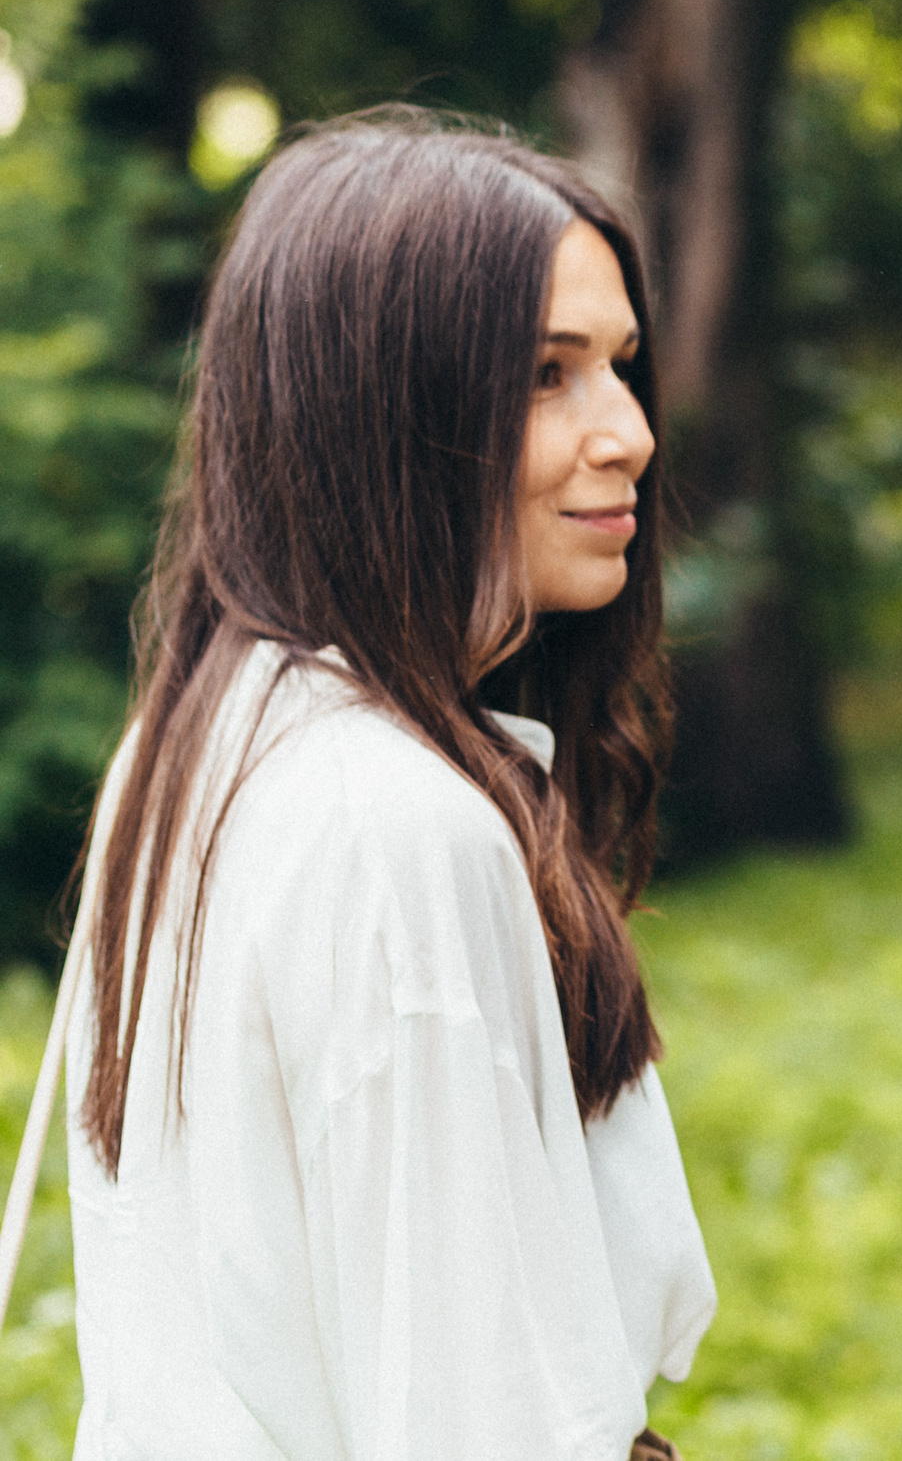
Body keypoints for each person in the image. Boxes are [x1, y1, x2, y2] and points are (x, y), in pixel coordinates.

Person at [65, 112, 715, 1459]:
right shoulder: (390, 824)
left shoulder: (205, 733)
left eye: (620, 366)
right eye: (546, 374)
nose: (630, 432)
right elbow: (478, 1418)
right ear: (388, 414)